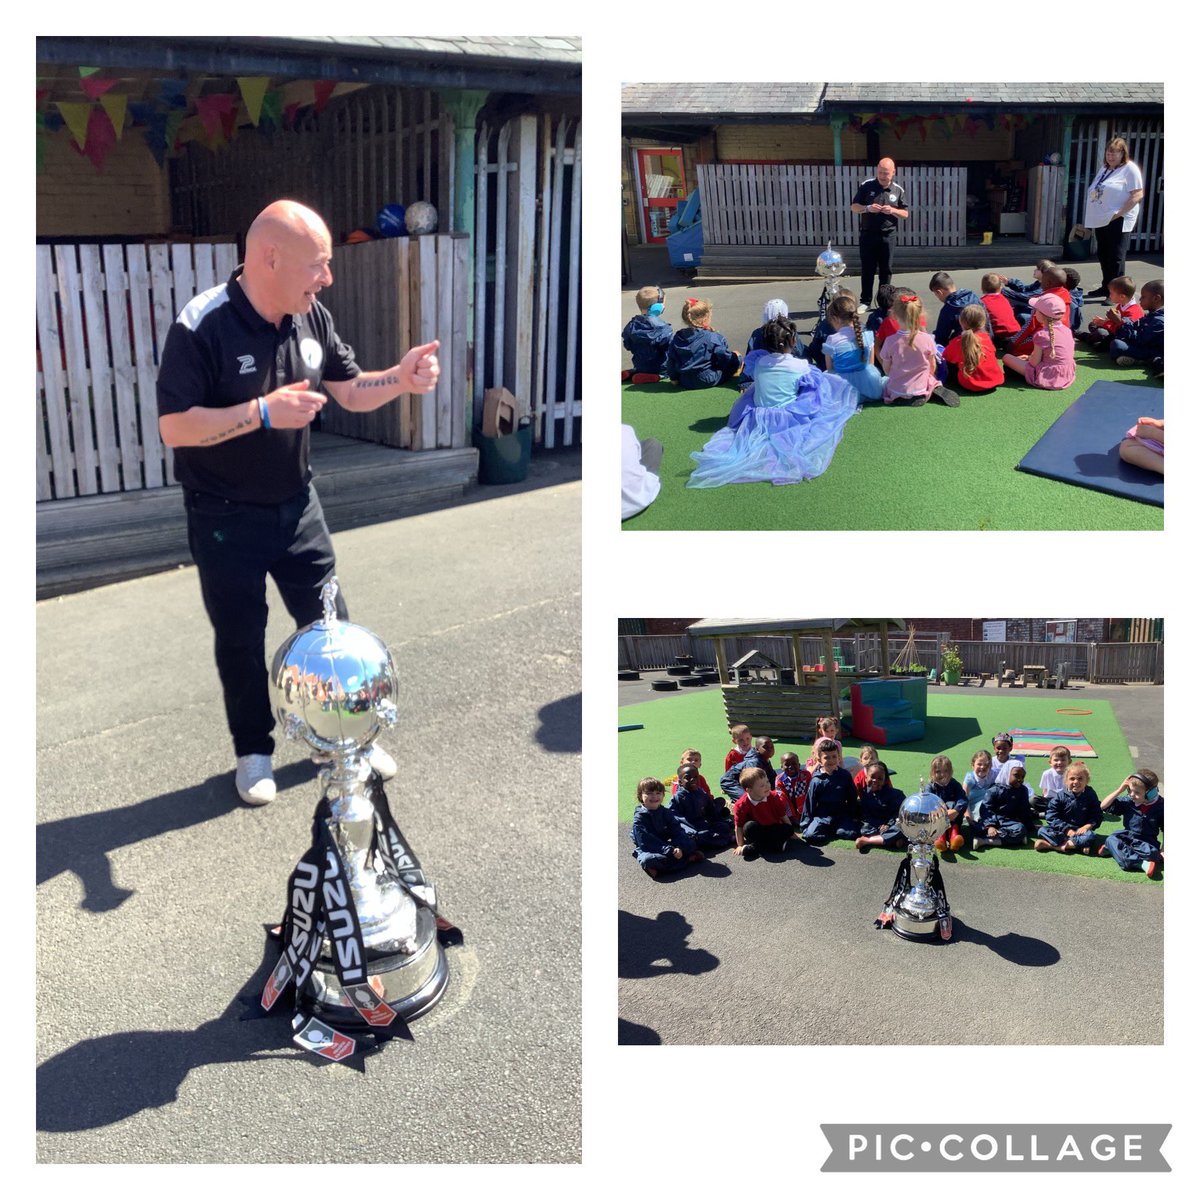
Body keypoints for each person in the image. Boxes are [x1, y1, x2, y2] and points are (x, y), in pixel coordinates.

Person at [156, 199, 440, 806]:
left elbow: (350, 390)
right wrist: (262, 412)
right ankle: (253, 752)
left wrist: (400, 377)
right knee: (240, 636)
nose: (327, 277)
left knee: (331, 627)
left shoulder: (311, 315)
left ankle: (347, 739)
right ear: (270, 258)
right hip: (223, 513)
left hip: (297, 503)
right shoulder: (202, 323)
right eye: (318, 264)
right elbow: (174, 426)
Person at [686, 316, 860, 488]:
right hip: (787, 420)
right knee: (818, 390)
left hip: (757, 417)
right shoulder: (800, 366)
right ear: (793, 340)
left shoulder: (758, 361)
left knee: (758, 389)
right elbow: (810, 394)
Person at [1082, 137, 1145, 297]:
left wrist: (1119, 213)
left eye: (1114, 154)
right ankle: (1107, 287)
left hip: (1119, 218)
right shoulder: (1105, 168)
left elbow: (1137, 194)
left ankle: (1118, 292)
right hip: (1102, 218)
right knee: (1103, 254)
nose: (1110, 157)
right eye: (1108, 153)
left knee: (1115, 256)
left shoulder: (1130, 169)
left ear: (1123, 154)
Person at [878, 293, 958, 406]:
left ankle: (904, 395)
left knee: (884, 381)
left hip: (897, 390)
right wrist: (931, 375)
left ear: (894, 315)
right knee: (931, 378)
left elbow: (886, 369)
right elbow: (932, 366)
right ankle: (933, 387)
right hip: (920, 388)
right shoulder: (927, 339)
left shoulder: (890, 341)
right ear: (920, 315)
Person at [851, 158, 909, 306]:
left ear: (893, 172)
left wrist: (893, 210)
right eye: (880, 172)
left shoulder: (898, 190)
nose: (882, 176)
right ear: (877, 170)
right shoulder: (867, 185)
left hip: (888, 235)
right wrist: (868, 208)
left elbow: (905, 214)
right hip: (868, 234)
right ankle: (865, 301)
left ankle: (884, 303)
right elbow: (854, 207)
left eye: (886, 173)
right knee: (867, 269)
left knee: (886, 270)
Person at [630, 777, 704, 878]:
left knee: (690, 841)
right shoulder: (639, 818)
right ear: (640, 796)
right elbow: (646, 842)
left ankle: (663, 866)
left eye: (658, 793)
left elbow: (677, 830)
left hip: (667, 844)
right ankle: (687, 859)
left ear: (663, 795)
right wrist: (669, 850)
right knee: (647, 859)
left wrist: (678, 846)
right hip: (651, 847)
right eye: (649, 793)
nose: (654, 796)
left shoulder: (665, 812)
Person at [1001, 294, 1076, 389]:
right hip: (1066, 374)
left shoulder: (1041, 335)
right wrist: (1028, 357)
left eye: (1035, 310)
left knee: (1006, 358)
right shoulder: (1067, 330)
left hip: (1047, 375)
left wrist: (1028, 359)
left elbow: (1034, 363)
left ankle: (1028, 377)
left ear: (1041, 315)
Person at [1099, 769, 1164, 877]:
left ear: (1151, 793)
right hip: (1127, 837)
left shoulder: (1161, 806)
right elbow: (1103, 806)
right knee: (1111, 839)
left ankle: (1114, 849)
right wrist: (1120, 789)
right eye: (1130, 790)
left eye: (1137, 792)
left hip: (1146, 842)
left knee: (1153, 854)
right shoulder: (1129, 800)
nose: (1132, 795)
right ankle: (1141, 864)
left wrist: (1163, 850)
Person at [664, 298, 741, 389]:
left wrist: (674, 378)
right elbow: (723, 357)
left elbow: (671, 360)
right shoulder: (712, 337)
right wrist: (735, 360)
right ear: (705, 318)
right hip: (707, 379)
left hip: (685, 380)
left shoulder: (678, 337)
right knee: (736, 355)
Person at [823, 294, 885, 400]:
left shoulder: (831, 340)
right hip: (868, 384)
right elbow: (870, 364)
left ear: (835, 319)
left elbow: (830, 369)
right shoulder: (867, 336)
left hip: (842, 387)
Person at [799, 739, 860, 843]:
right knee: (809, 835)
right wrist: (805, 825)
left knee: (852, 833)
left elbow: (852, 798)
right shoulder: (816, 780)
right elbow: (809, 803)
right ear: (819, 760)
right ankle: (830, 829)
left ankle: (835, 829)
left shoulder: (845, 775)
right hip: (823, 816)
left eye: (834, 756)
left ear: (839, 757)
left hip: (841, 814)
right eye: (827, 757)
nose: (831, 760)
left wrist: (852, 816)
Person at [732, 767, 800, 859]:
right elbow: (739, 826)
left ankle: (756, 848)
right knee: (749, 826)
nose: (768, 786)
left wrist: (792, 833)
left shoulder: (774, 796)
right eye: (762, 785)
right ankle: (776, 846)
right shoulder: (740, 805)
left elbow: (783, 815)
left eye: (767, 782)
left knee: (788, 829)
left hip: (773, 828)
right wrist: (740, 845)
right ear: (749, 790)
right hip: (757, 831)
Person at [1033, 762, 1102, 854]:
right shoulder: (1060, 796)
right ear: (1066, 781)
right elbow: (1051, 815)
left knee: (1090, 836)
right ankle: (1077, 846)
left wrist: (1088, 826)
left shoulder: (1090, 795)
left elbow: (1097, 814)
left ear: (1087, 781)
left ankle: (1052, 846)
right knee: (1042, 830)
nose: (1076, 782)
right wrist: (1066, 830)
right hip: (1062, 830)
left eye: (1080, 779)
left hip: (1080, 831)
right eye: (1072, 779)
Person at [940, 304, 1004, 394]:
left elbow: (946, 356)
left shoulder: (958, 341)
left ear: (960, 321)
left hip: (971, 384)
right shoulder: (986, 338)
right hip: (995, 380)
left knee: (946, 363)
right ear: (983, 323)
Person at [670, 763, 735, 851]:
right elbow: (674, 818)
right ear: (680, 782)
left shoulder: (700, 792)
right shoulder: (678, 798)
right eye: (687, 778)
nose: (693, 780)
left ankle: (718, 836)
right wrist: (689, 830)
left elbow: (710, 810)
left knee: (723, 827)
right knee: (698, 837)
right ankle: (726, 839)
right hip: (690, 828)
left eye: (696, 777)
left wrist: (717, 821)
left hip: (703, 824)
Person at [974, 764, 1034, 849]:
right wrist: (990, 826)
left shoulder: (1023, 790)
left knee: (1020, 829)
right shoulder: (994, 790)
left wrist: (1030, 825)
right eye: (1016, 775)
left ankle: (985, 841)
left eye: (1022, 776)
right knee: (975, 828)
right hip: (993, 819)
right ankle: (1015, 839)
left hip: (1009, 821)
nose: (1020, 779)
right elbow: (986, 809)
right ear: (1007, 773)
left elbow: (1024, 810)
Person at [622, 284, 672, 382]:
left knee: (640, 367)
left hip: (640, 364)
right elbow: (670, 348)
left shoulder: (631, 325)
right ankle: (658, 376)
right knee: (669, 369)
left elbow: (627, 345)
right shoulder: (664, 328)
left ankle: (632, 372)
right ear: (656, 307)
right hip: (660, 366)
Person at [1109, 279, 1164, 367]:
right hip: (1141, 345)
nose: (1140, 299)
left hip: (1148, 350)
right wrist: (1123, 321)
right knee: (1115, 337)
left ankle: (1144, 361)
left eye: (1143, 297)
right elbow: (1135, 327)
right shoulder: (1151, 315)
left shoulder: (1159, 321)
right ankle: (1134, 359)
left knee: (1117, 344)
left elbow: (1140, 340)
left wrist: (1121, 323)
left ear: (1156, 298)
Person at [929, 271, 991, 348]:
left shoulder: (948, 308)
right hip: (983, 342)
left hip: (964, 346)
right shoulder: (974, 297)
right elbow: (987, 322)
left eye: (936, 295)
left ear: (939, 292)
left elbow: (941, 337)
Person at [1077, 275, 1142, 348]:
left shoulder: (1133, 312)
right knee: (1093, 324)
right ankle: (1097, 339)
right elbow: (1113, 322)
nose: (1109, 296)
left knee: (1101, 333)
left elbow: (1122, 331)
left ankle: (1087, 337)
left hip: (1122, 337)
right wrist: (1104, 321)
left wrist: (1104, 323)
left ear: (1122, 297)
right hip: (1113, 330)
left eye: (1111, 293)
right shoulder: (1122, 304)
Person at [854, 762, 906, 852]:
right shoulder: (866, 796)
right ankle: (892, 841)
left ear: (885, 781)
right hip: (877, 826)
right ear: (866, 778)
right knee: (864, 829)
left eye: (879, 778)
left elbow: (899, 814)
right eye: (872, 777)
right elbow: (867, 816)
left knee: (901, 828)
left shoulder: (895, 795)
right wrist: (879, 826)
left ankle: (868, 841)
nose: (875, 780)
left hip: (892, 824)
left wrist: (888, 825)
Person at [620, 425, 662, 521]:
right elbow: (637, 458)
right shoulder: (626, 429)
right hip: (641, 498)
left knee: (651, 445)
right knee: (653, 445)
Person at [929, 755, 968, 853]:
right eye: (938, 771)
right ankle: (940, 839)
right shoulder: (930, 787)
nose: (942, 774)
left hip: (953, 819)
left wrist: (956, 810)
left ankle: (954, 837)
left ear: (950, 771)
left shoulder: (955, 784)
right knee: (941, 807)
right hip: (937, 820)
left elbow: (963, 799)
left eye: (945, 771)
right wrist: (939, 811)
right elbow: (927, 801)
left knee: (952, 804)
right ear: (932, 773)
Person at [721, 735, 776, 800]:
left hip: (744, 781)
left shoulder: (765, 758)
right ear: (757, 749)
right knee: (749, 799)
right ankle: (733, 802)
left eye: (771, 747)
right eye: (765, 747)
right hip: (731, 782)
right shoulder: (754, 763)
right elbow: (751, 783)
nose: (769, 749)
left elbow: (772, 777)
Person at [978, 273, 1021, 346]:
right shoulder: (1005, 299)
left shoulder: (982, 302)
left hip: (1000, 336)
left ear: (982, 289)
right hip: (1016, 333)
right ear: (1000, 288)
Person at [775, 751, 812, 821]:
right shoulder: (780, 780)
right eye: (787, 764)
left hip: (805, 808)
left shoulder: (806, 775)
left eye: (794, 764)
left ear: (799, 765)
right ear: (782, 767)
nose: (791, 767)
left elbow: (810, 793)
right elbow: (783, 799)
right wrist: (792, 816)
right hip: (790, 811)